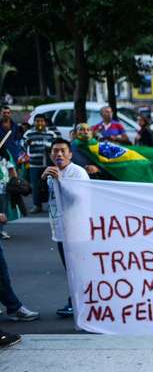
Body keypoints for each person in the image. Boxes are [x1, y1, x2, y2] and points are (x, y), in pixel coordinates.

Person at [39, 138, 89, 318]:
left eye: (62, 151)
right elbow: (48, 200)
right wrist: (43, 181)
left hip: (79, 231)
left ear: (70, 154)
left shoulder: (77, 172)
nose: (58, 154)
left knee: (79, 270)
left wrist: (60, 180)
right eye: (55, 151)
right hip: (60, 231)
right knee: (70, 271)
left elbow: (78, 198)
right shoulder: (52, 173)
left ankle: (79, 304)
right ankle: (76, 302)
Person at [22, 114, 59, 213]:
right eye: (37, 121)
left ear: (45, 122)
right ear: (34, 122)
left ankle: (52, 205)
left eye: (41, 121)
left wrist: (49, 147)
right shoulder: (28, 133)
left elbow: (56, 146)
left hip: (48, 164)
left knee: (50, 185)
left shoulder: (51, 133)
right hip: (34, 164)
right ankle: (36, 205)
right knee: (35, 186)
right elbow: (22, 146)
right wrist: (26, 143)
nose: (39, 123)